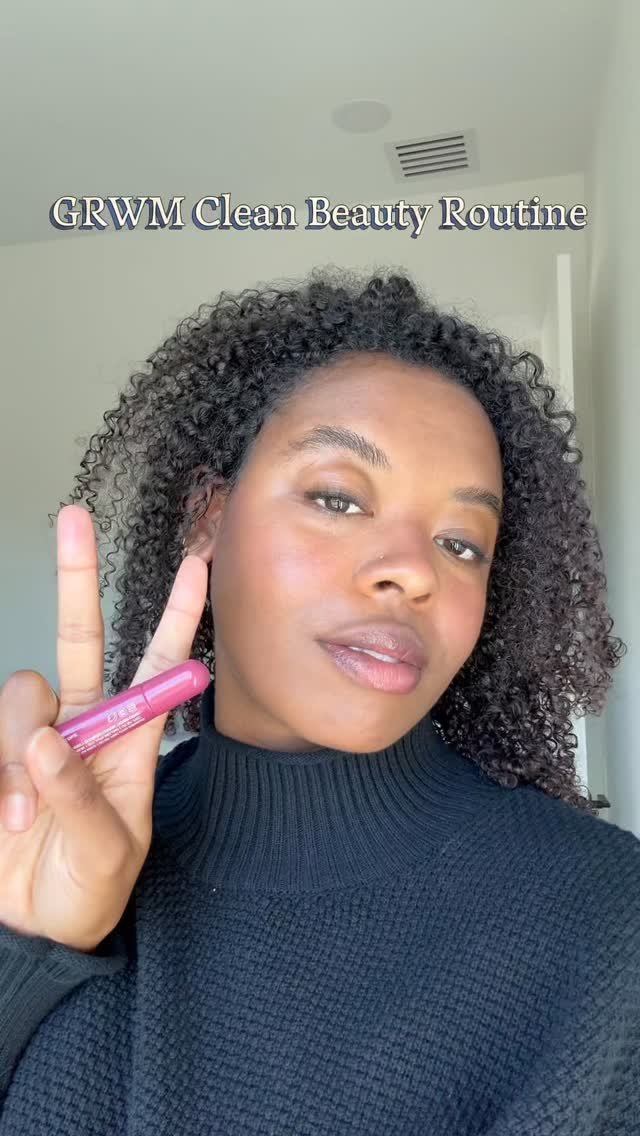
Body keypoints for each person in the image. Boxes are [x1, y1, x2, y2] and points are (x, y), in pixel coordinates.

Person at [0, 266, 638, 1135]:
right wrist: (23, 950)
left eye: (462, 543)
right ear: (207, 518)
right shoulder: (48, 859)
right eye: (338, 498)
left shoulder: (604, 917)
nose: (412, 570)